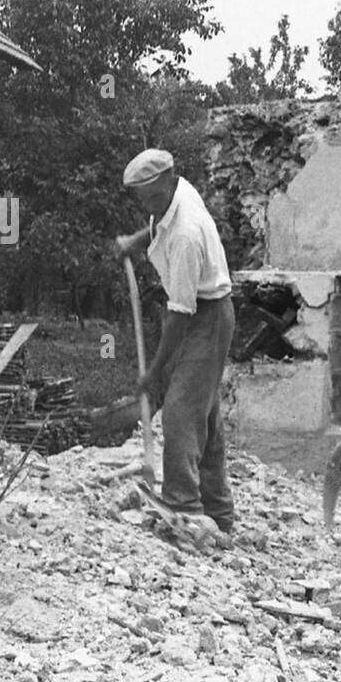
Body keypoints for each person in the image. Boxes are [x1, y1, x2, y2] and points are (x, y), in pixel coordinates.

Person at [113, 148, 236, 532]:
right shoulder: (178, 193)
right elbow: (157, 223)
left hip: (206, 317)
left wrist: (155, 371)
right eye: (141, 199)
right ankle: (218, 513)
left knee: (182, 411)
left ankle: (183, 506)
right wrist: (134, 240)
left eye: (153, 196)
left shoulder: (186, 235)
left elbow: (179, 316)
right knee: (204, 412)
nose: (149, 204)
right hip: (204, 313)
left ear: (169, 179)